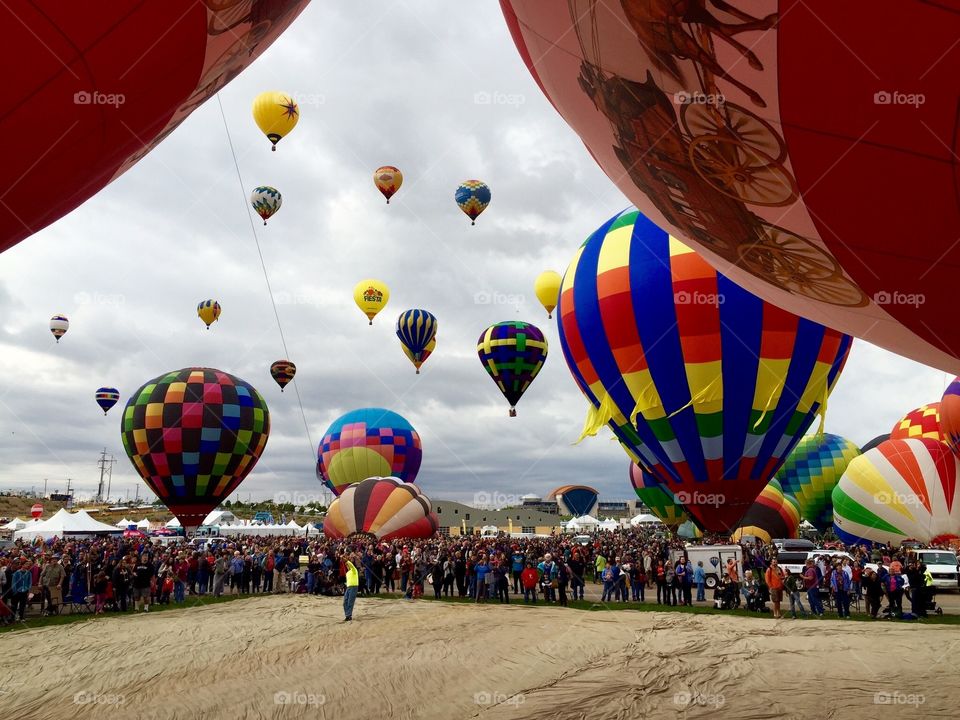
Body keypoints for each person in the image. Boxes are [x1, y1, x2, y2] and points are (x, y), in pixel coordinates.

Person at [343, 553, 359, 621]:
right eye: (346, 565)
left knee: (350, 602)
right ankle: (347, 614)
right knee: (345, 602)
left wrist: (346, 561)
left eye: (347, 565)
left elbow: (351, 565)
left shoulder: (354, 570)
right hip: (348, 587)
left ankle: (348, 616)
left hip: (354, 587)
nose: (347, 566)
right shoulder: (347, 573)